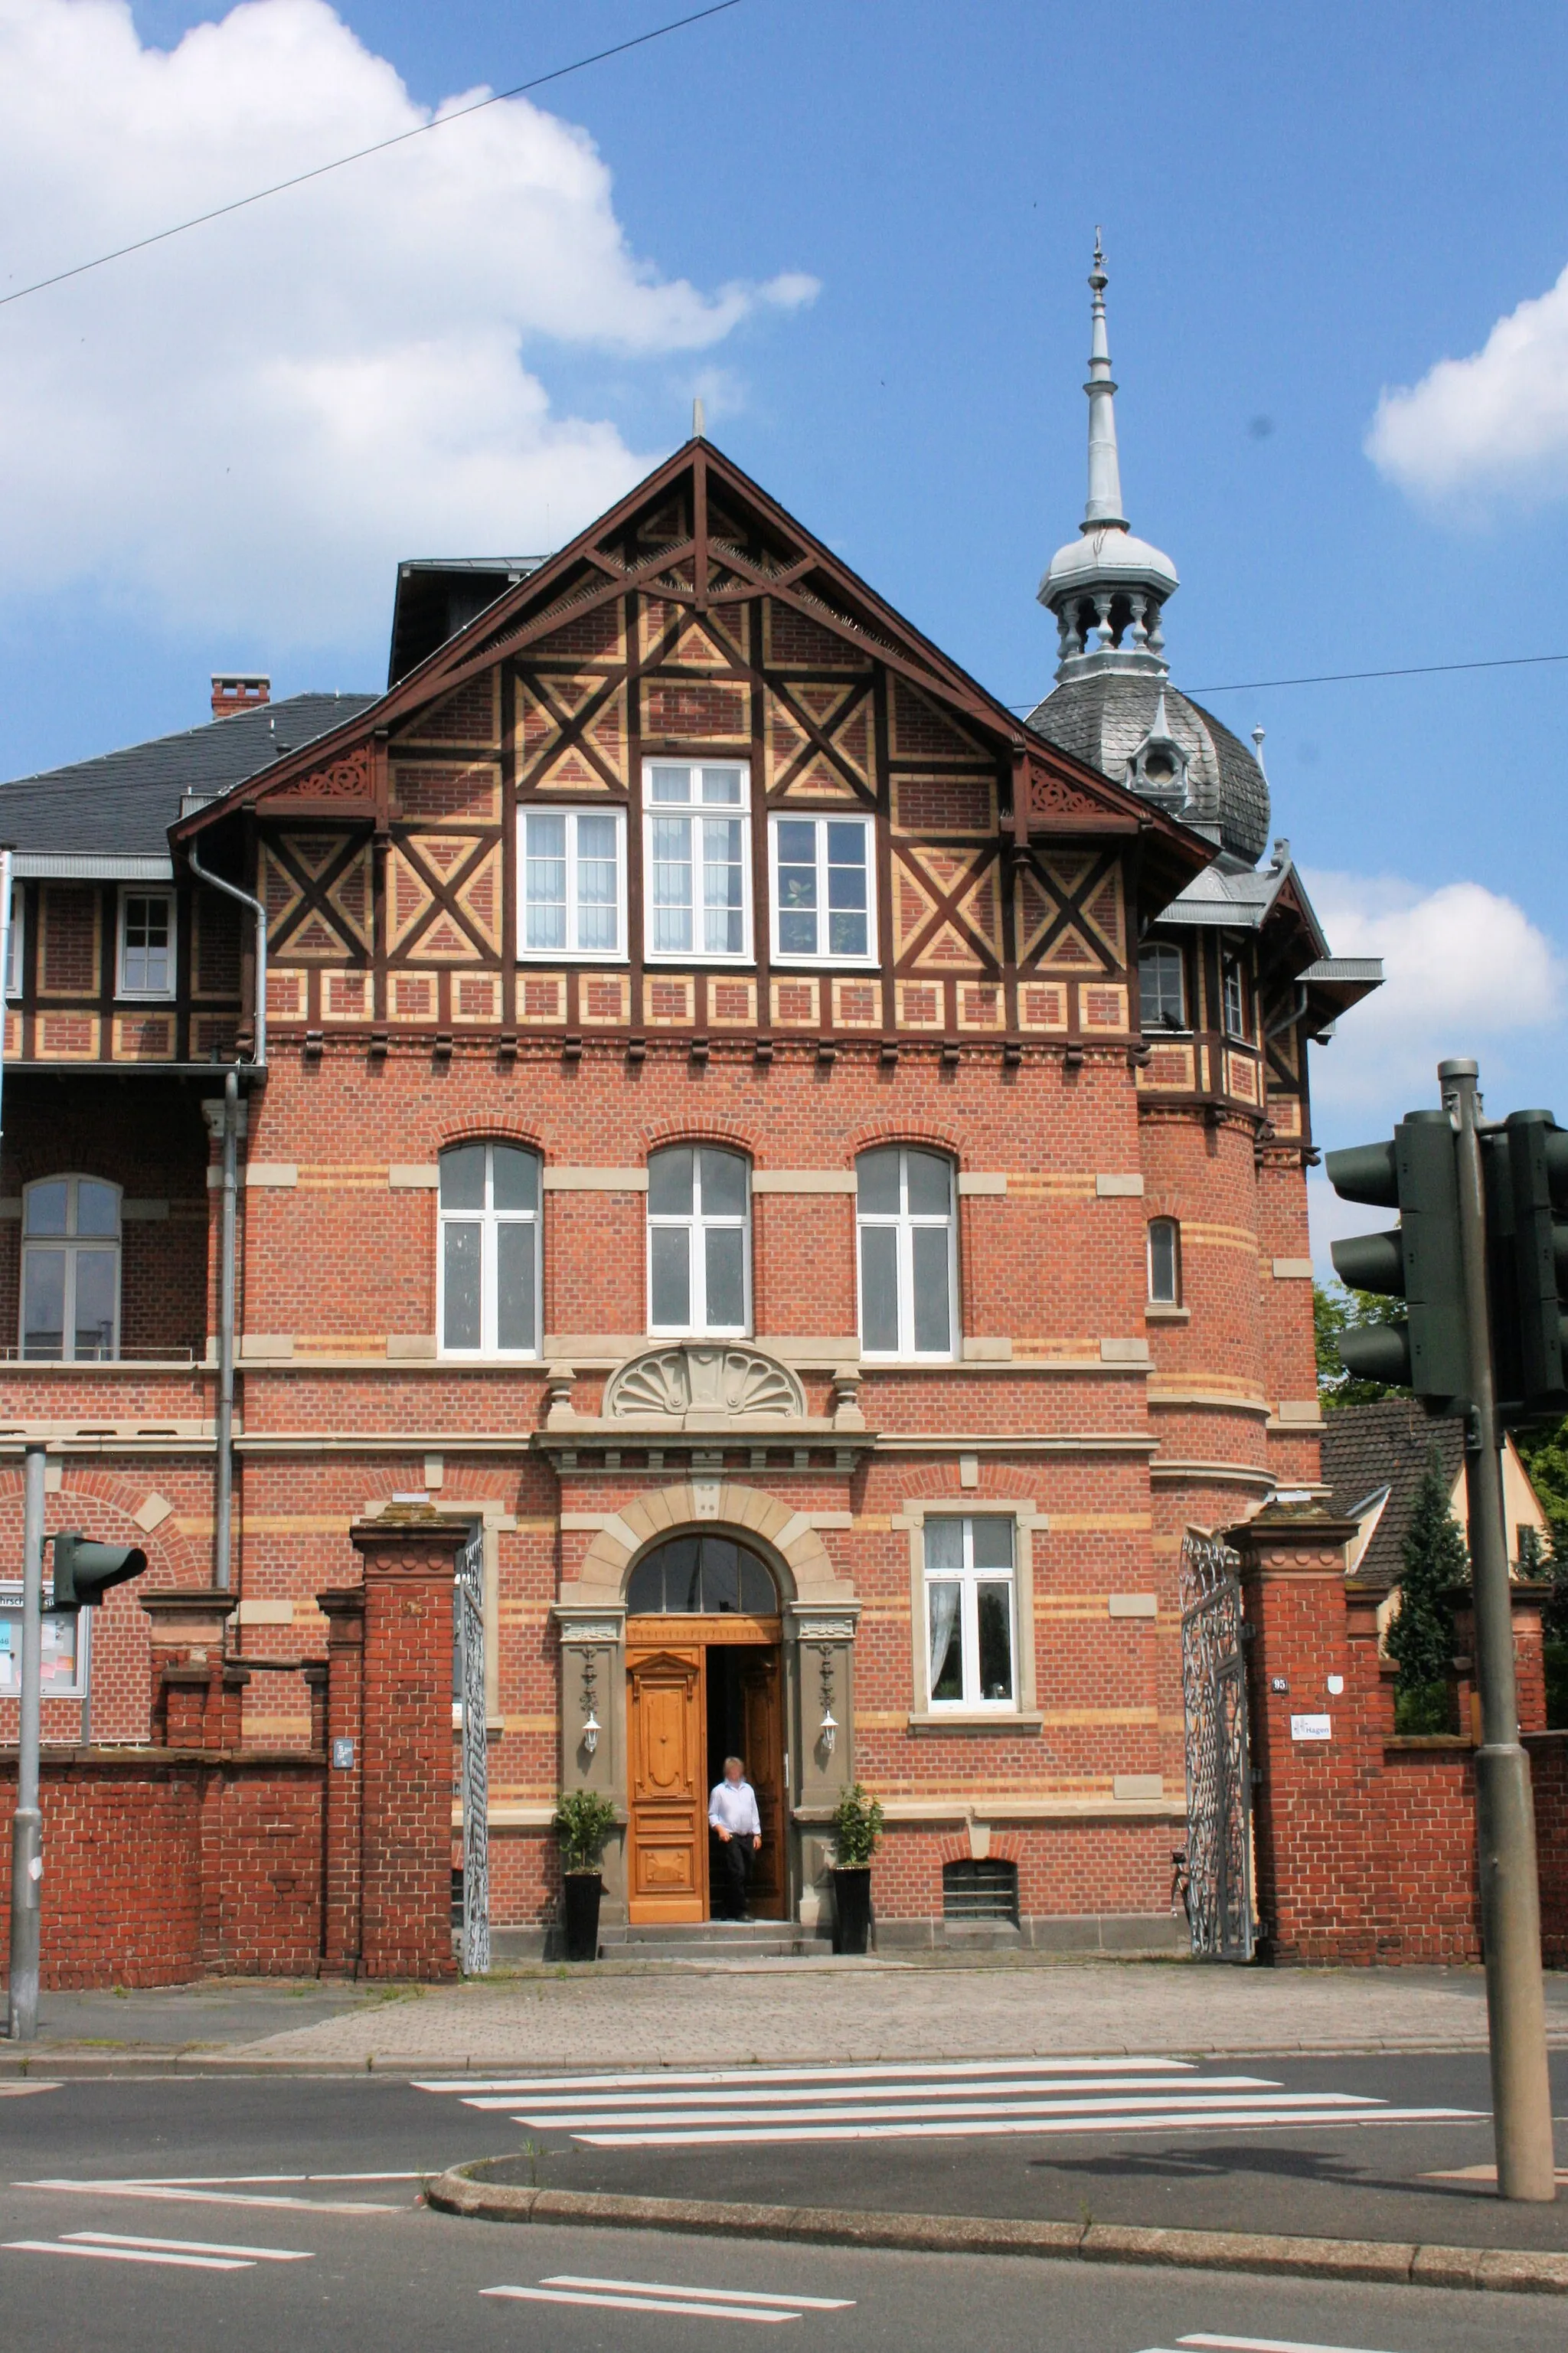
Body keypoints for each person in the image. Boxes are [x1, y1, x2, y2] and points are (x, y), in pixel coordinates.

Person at [708, 1754, 762, 1920]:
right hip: (730, 1837)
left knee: (747, 1872)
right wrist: (720, 1830)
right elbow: (712, 1815)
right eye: (732, 1770)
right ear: (727, 1772)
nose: (735, 1773)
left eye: (738, 1770)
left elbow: (754, 1813)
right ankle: (740, 1911)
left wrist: (757, 1833)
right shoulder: (719, 1791)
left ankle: (728, 1907)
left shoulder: (748, 1790)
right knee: (737, 1871)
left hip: (747, 1836)